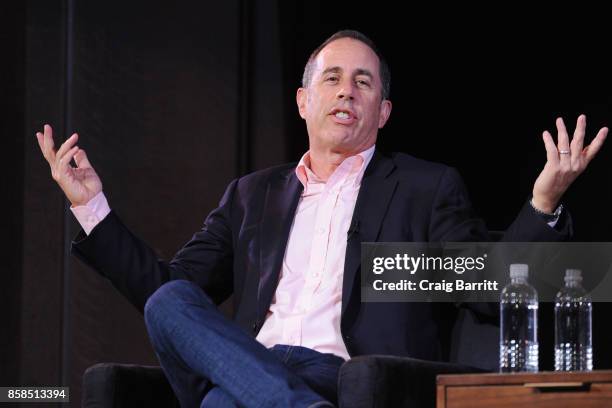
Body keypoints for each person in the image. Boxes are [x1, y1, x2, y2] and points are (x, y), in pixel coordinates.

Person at [36, 30, 607, 408]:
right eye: (331, 78)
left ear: (382, 112)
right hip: (254, 360)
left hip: (343, 372)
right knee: (170, 305)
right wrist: (92, 207)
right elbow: (167, 292)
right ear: (303, 101)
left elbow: (488, 289)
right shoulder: (251, 196)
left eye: (364, 82)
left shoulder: (420, 188)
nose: (346, 91)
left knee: (220, 403)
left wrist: (543, 203)